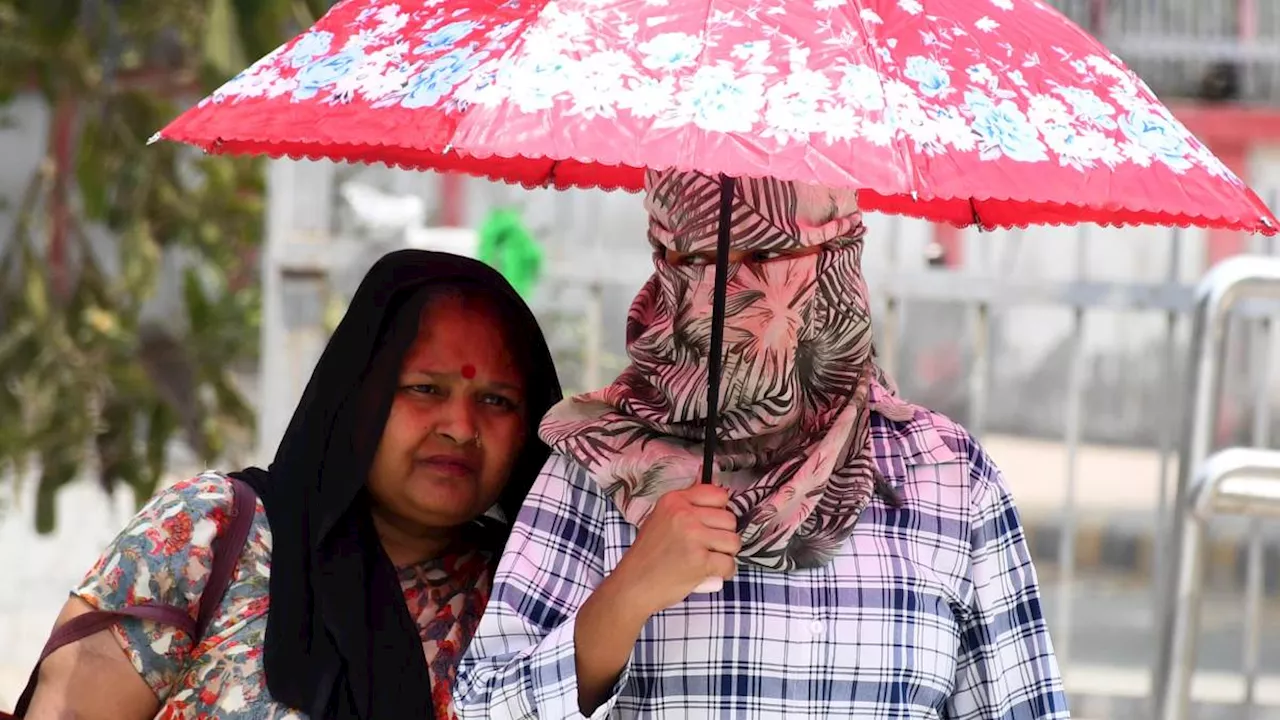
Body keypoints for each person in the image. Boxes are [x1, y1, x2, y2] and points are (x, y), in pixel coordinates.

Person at [455, 170, 1071, 719]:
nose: (722, 290)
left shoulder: (944, 475)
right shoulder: (597, 465)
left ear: (836, 255)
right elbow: (482, 706)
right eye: (691, 256)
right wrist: (629, 594)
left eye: (768, 253)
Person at [21, 250, 562, 719]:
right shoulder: (206, 535)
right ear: (356, 397)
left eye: (497, 401)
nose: (461, 428)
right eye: (424, 388)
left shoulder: (534, 596)